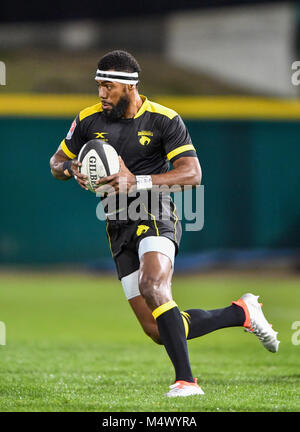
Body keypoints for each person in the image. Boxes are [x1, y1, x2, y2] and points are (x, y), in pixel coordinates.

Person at [50, 50, 279, 397]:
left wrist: (136, 181)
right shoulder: (88, 120)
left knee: (153, 285)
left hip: (155, 209)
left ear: (130, 86)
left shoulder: (163, 120)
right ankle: (241, 313)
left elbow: (192, 174)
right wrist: (71, 169)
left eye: (107, 86)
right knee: (158, 330)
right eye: (98, 85)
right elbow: (56, 162)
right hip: (117, 223)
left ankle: (186, 382)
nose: (100, 93)